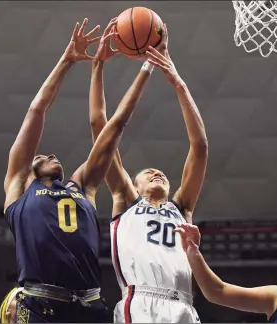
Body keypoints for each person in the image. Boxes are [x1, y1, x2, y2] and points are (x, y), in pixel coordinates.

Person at [3, 17, 144, 323]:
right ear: (29, 170)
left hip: (90, 304)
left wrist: (102, 66)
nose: (52, 154)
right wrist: (67, 60)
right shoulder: (19, 189)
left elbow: (111, 127)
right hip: (42, 302)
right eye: (43, 155)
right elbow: (36, 111)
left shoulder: (83, 187)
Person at [89, 24, 208, 323]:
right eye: (148, 173)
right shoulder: (126, 200)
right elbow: (99, 127)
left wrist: (177, 82)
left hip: (184, 306)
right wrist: (97, 66)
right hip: (140, 302)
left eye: (161, 173)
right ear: (134, 184)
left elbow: (200, 146)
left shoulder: (182, 208)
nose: (157, 173)